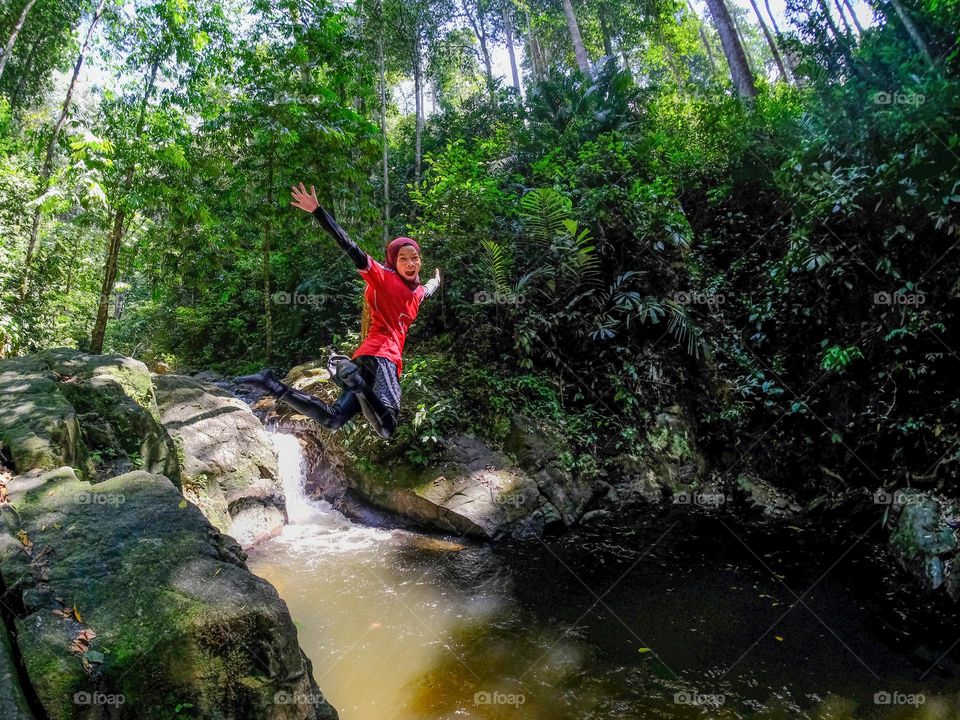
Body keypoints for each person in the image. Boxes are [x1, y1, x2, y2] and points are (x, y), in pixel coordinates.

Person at [235, 183, 441, 439]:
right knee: (387, 428)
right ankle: (356, 384)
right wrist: (317, 211)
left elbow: (428, 290)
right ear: (392, 261)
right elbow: (349, 246)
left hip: (364, 359)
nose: (411, 264)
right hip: (383, 357)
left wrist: (436, 280)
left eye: (415, 257)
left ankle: (271, 385)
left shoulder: (417, 292)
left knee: (333, 419)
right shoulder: (383, 278)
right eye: (403, 259)